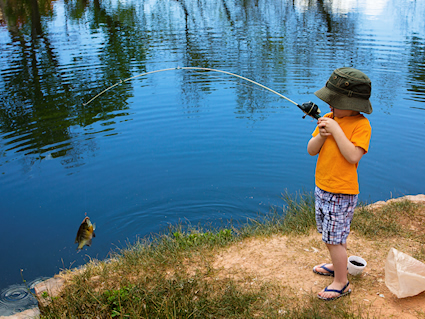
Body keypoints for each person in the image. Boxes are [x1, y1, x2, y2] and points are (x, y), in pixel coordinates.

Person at [306, 67, 372, 301]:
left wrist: (335, 131)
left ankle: (341, 282)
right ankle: (338, 265)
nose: (330, 106)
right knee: (329, 235)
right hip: (322, 187)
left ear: (353, 104)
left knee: (335, 239)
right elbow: (311, 150)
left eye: (336, 101)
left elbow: (353, 156)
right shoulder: (330, 119)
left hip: (341, 192)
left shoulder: (361, 125)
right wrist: (323, 135)